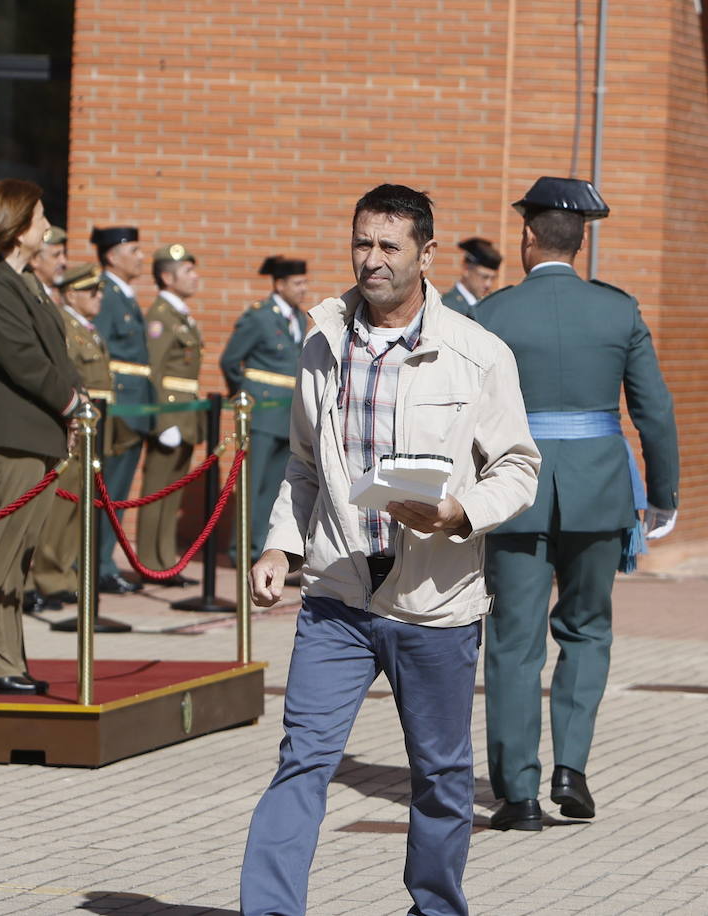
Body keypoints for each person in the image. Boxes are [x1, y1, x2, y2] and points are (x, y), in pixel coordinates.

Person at [240, 184, 540, 916]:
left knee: (439, 773)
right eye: (361, 244)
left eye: (388, 246)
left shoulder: (478, 353)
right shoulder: (322, 339)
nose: (371, 260)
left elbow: (518, 467)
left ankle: (435, 907)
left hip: (433, 602)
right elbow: (304, 466)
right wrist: (280, 547)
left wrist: (459, 511)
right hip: (338, 592)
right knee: (303, 760)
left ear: (425, 254)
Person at [473, 176, 680, 832]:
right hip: (598, 493)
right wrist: (663, 493)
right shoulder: (618, 310)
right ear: (581, 240)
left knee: (513, 643)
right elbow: (655, 412)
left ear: (528, 238)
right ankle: (572, 769)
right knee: (587, 631)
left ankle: (519, 795)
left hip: (516, 494)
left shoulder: (493, 314)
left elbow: (462, 414)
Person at [0, 179, 85, 695]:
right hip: (14, 435)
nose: (47, 225)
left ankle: (3, 655)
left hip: (38, 434)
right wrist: (74, 402)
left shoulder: (22, 278)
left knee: (21, 554)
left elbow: (53, 353)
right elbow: (22, 360)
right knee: (0, 551)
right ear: (15, 225)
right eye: (39, 216)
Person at [28, 263, 114, 610]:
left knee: (79, 506)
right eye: (91, 291)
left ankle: (64, 573)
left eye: (99, 291)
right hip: (75, 423)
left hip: (92, 421)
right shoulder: (64, 325)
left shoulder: (87, 328)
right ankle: (50, 577)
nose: (98, 298)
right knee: (62, 506)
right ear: (71, 294)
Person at [220, 255, 310, 562]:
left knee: (275, 487)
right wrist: (244, 400)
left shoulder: (298, 318)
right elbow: (230, 360)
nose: (303, 289)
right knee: (251, 484)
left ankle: (261, 547)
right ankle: (240, 549)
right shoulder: (259, 316)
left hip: (286, 415)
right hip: (260, 413)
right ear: (280, 284)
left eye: (304, 283)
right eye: (297, 283)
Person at [136, 243, 204, 587]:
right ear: (166, 276)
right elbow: (154, 371)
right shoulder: (161, 316)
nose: (195, 278)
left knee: (172, 489)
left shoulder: (180, 315)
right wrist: (162, 420)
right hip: (170, 414)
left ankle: (165, 559)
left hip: (185, 413)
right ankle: (148, 561)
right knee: (157, 489)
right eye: (187, 271)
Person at [91, 224, 151, 594]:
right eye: (134, 250)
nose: (141, 257)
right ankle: (96, 565)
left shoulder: (123, 294)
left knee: (118, 492)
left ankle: (103, 561)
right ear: (113, 256)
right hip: (118, 406)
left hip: (135, 404)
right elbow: (100, 352)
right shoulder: (107, 294)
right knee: (108, 492)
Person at [440, 236, 501, 319]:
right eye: (484, 277)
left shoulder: (488, 307)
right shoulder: (447, 306)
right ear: (466, 270)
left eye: (493, 278)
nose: (488, 284)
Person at [30, 226, 68, 306]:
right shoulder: (30, 296)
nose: (63, 262)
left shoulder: (60, 297)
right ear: (35, 259)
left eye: (64, 254)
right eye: (56, 255)